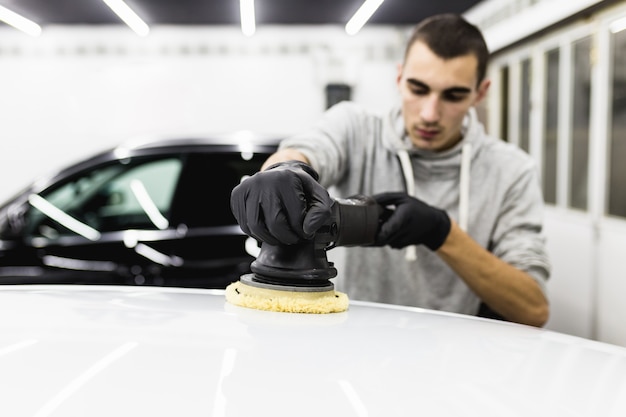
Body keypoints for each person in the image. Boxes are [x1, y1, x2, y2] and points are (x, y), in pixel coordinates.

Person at [231, 13, 550, 327]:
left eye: (453, 95)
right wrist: (283, 171)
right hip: (344, 351)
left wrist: (442, 233)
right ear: (399, 78)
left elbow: (533, 309)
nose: (430, 113)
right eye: (418, 88)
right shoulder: (355, 128)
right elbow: (307, 149)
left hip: (451, 365)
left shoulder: (511, 171)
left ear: (480, 92)